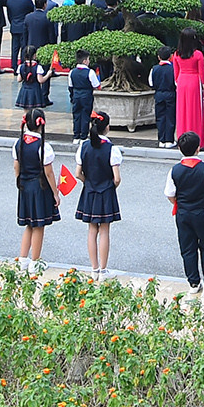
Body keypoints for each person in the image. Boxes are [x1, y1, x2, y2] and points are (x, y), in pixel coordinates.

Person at [164, 131, 204, 292]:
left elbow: (169, 194)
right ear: (198, 149)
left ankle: (193, 282)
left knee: (187, 248)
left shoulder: (174, 170)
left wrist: (178, 203)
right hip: (203, 212)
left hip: (183, 213)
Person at [76, 109, 123, 273]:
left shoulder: (84, 146)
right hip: (106, 191)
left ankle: (94, 268)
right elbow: (117, 178)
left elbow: (77, 173)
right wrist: (110, 187)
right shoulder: (111, 149)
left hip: (89, 190)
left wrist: (88, 182)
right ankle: (103, 269)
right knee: (104, 230)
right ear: (107, 127)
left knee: (91, 230)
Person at [13, 107, 61, 267]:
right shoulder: (43, 146)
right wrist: (55, 193)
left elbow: (16, 167)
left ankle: (23, 259)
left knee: (29, 223)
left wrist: (20, 181)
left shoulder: (18, 143)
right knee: (39, 225)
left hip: (25, 186)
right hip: (39, 187)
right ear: (41, 125)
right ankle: (35, 261)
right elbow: (49, 173)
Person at [172, 28, 204, 150]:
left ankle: (182, 139)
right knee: (195, 111)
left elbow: (175, 74)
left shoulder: (176, 54)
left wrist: (179, 83)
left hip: (182, 81)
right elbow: (202, 74)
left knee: (182, 111)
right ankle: (197, 141)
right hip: (194, 82)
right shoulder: (198, 54)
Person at [68, 55, 100, 142]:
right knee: (85, 116)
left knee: (76, 115)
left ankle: (76, 136)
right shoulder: (90, 72)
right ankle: (83, 136)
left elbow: (70, 86)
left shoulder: (72, 72)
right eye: (88, 59)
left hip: (76, 96)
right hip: (86, 96)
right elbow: (96, 85)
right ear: (85, 61)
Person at [149, 49, 177, 148]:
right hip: (170, 93)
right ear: (170, 57)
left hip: (159, 94)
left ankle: (161, 140)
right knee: (170, 116)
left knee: (160, 117)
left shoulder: (154, 69)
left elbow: (151, 83)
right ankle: (169, 140)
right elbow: (176, 83)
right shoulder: (173, 68)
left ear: (158, 57)